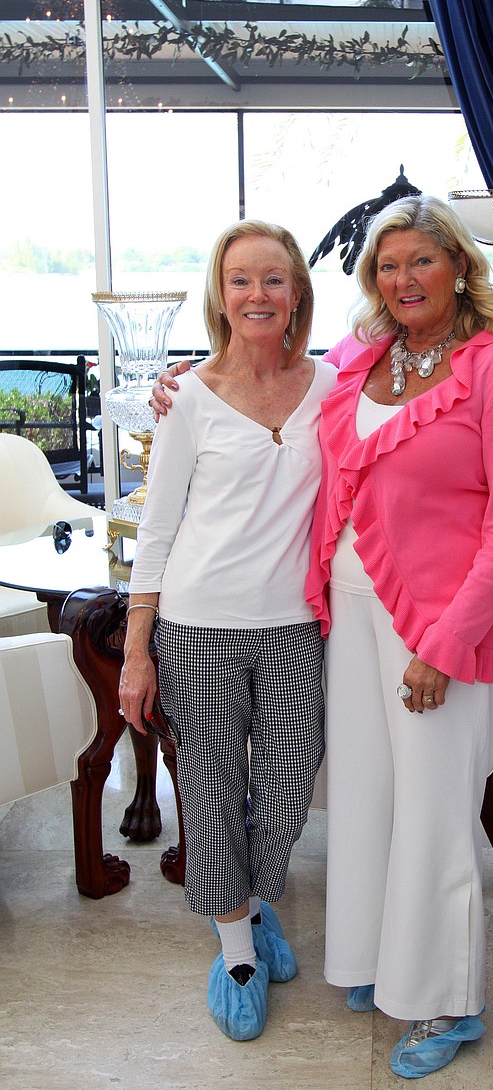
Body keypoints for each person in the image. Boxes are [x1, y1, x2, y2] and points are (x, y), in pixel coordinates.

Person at [306, 194, 493, 1078]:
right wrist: (185, 385)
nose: (402, 279)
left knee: (436, 812)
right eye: (387, 264)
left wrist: (446, 642)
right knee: (367, 794)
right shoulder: (362, 357)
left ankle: (446, 998)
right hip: (353, 608)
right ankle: (377, 959)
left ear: (459, 267)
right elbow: (282, 392)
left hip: (441, 625)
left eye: (421, 261)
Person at [120, 219, 337, 1043]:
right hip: (197, 623)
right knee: (210, 786)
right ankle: (237, 943)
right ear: (220, 293)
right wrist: (137, 650)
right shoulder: (189, 399)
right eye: (240, 280)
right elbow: (157, 532)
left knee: (285, 790)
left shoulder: (332, 385)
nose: (257, 294)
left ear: (297, 293)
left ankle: (249, 898)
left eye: (273, 279)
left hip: (293, 625)